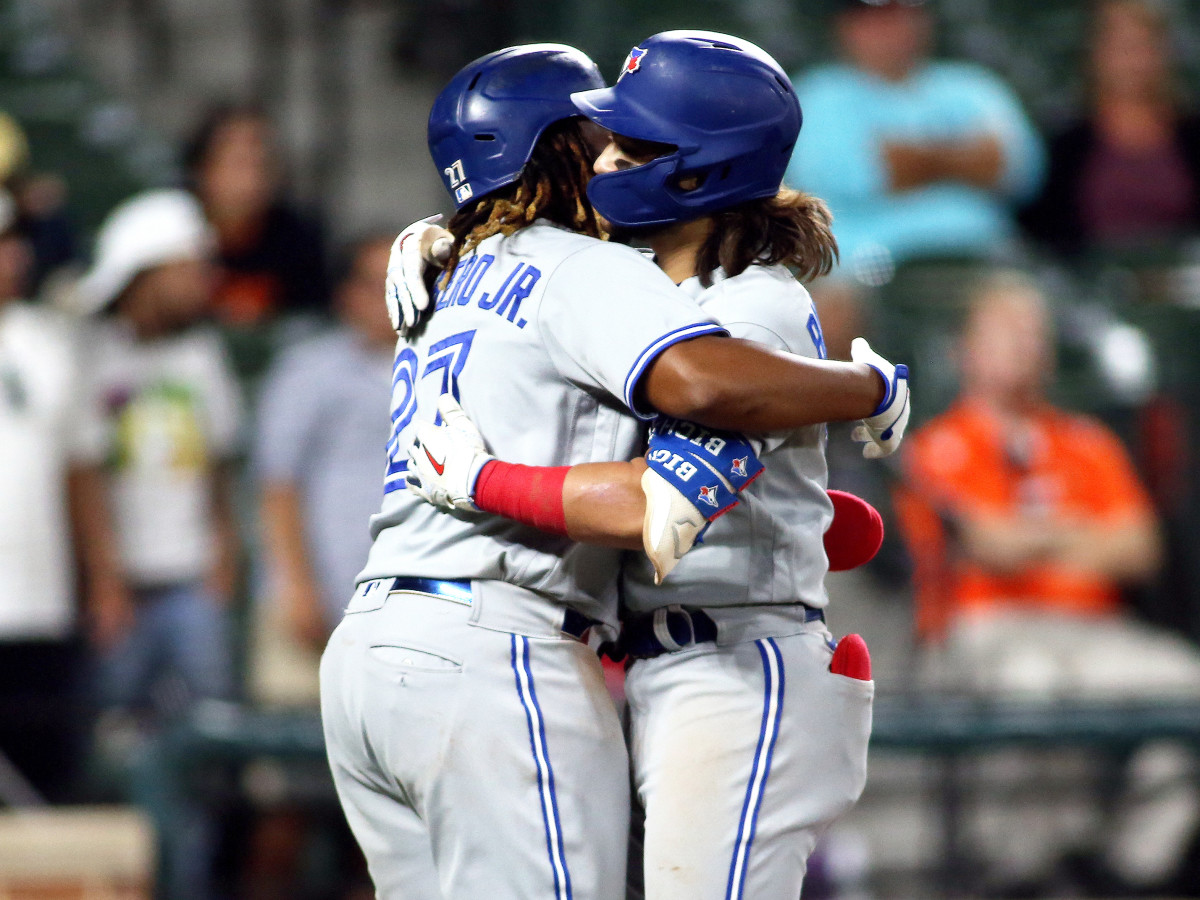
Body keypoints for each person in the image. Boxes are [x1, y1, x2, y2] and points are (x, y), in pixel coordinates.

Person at [319, 43, 908, 900]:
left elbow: (661, 506)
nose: (602, 157)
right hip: (627, 660)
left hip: (738, 667)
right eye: (599, 138)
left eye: (631, 146)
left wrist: (485, 481)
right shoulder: (618, 277)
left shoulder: (751, 306)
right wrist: (447, 229)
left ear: (701, 174)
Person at [894, 270, 1200, 891]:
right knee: (1031, 685)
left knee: (1188, 684)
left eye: (1033, 333)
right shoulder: (937, 444)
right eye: (1004, 330)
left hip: (1095, 630)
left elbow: (1140, 550)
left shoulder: (1086, 441)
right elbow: (986, 546)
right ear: (965, 350)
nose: (1022, 344)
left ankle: (1125, 865)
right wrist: (1080, 537)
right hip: (984, 631)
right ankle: (1025, 871)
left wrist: (1032, 538)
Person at [74, 189, 244, 898]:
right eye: (186, 265)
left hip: (191, 586)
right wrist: (105, 578)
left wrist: (224, 559)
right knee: (112, 747)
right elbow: (82, 476)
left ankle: (192, 883)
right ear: (146, 272)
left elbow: (219, 466)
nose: (201, 278)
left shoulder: (203, 357)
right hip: (126, 592)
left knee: (204, 751)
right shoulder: (90, 356)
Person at [784, 0, 1044, 358]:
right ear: (846, 27)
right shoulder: (819, 94)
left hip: (981, 263)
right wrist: (963, 159)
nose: (892, 29)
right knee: (821, 323)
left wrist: (913, 158)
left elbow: (1020, 172)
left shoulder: (973, 85)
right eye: (875, 18)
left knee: (1021, 319)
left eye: (902, 13)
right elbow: (871, 174)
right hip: (864, 273)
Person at [251, 232, 396, 700]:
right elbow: (277, 485)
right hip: (314, 602)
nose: (395, 293)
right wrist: (295, 588)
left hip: (400, 611)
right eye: (379, 283)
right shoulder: (309, 370)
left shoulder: (445, 365)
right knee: (294, 750)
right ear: (348, 294)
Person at [0, 189, 108, 803]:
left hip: (39, 604)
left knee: (43, 786)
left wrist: (103, 577)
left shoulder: (52, 343)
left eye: (15, 244)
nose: (13, 259)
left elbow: (82, 470)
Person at [1021, 0, 1200, 258]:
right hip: (1091, 285)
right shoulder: (1066, 145)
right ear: (1095, 53)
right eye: (1121, 47)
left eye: (1142, 45)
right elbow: (1046, 234)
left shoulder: (1192, 136)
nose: (1132, 61)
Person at [185, 103, 331, 328]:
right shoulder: (173, 232)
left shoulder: (297, 239)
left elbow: (310, 322)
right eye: (239, 164)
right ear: (202, 169)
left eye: (262, 165)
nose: (252, 179)